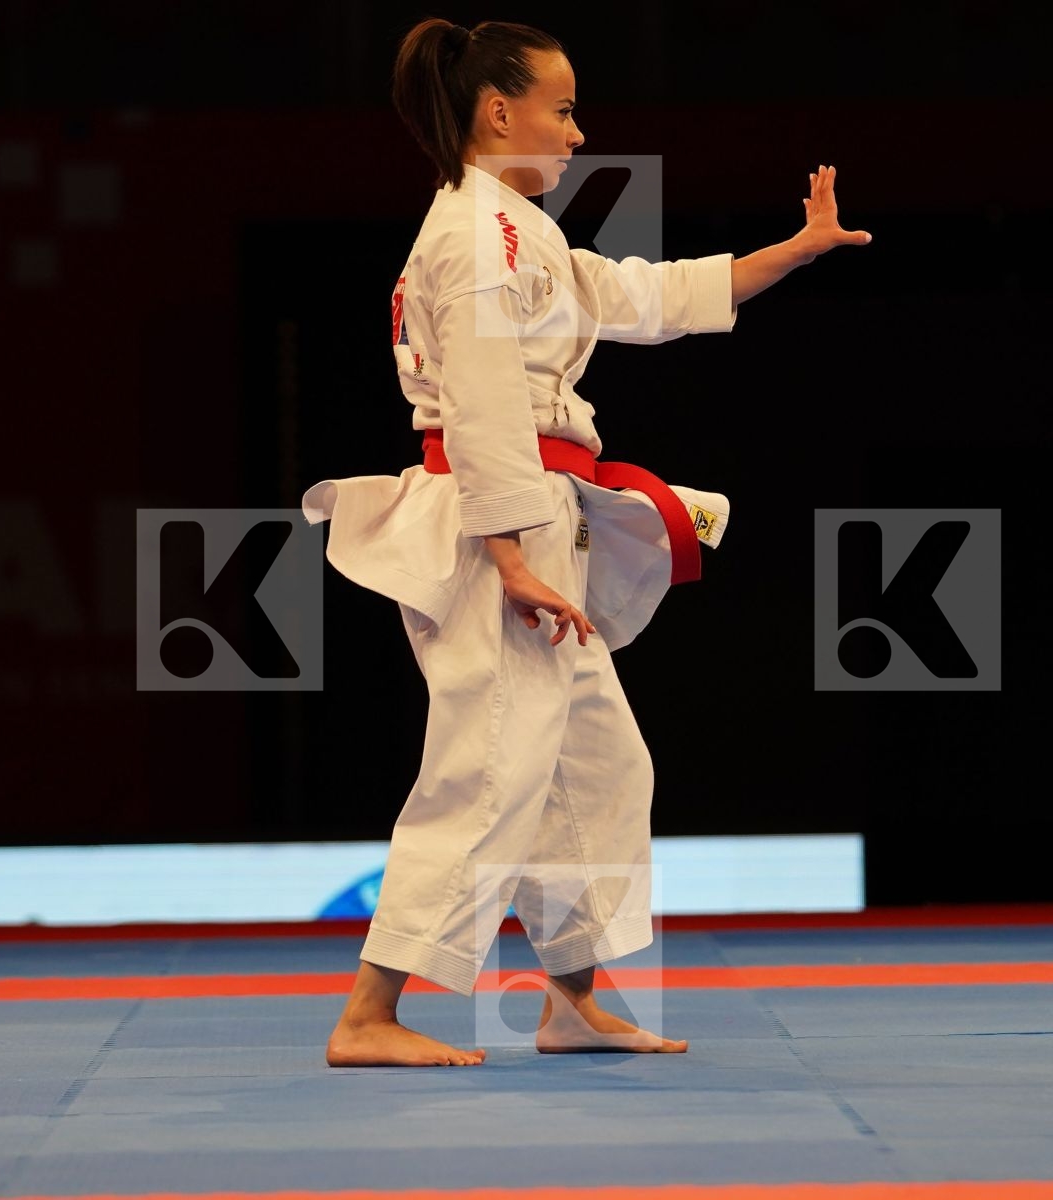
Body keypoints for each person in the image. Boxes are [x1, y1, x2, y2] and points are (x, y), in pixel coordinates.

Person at [302, 17, 870, 1067]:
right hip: (492, 530)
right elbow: (478, 406)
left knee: (594, 763)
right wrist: (513, 555)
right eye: (561, 110)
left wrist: (795, 249)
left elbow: (644, 296)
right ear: (495, 112)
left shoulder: (524, 235)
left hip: (533, 521)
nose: (575, 133)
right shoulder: (474, 237)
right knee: (488, 765)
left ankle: (570, 1001)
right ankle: (368, 1014)